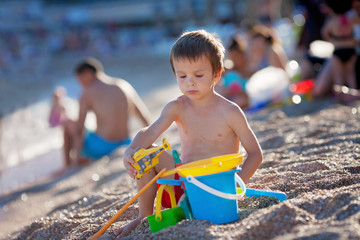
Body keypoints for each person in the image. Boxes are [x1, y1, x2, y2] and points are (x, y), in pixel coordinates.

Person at [114, 30, 263, 238]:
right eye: (182, 76)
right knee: (146, 153)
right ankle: (143, 215)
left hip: (218, 186)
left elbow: (255, 153)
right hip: (185, 185)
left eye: (198, 75)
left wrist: (235, 185)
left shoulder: (230, 112)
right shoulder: (177, 107)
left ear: (217, 74)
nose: (189, 82)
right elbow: (149, 132)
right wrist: (130, 151)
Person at [63, 58, 151, 168]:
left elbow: (79, 129)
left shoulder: (88, 92)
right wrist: (150, 140)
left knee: (68, 124)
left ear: (87, 74)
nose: (81, 85)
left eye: (80, 80)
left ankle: (68, 165)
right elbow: (143, 116)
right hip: (126, 143)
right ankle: (79, 160)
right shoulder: (123, 85)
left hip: (102, 146)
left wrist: (77, 156)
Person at [313, 0, 356, 97]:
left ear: (331, 9)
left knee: (339, 77)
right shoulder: (351, 19)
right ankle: (352, 93)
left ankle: (340, 95)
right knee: (350, 74)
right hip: (351, 50)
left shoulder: (331, 21)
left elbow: (324, 33)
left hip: (338, 51)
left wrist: (333, 39)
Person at [216, 35, 250, 108]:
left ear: (242, 54)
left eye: (236, 56)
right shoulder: (229, 70)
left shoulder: (250, 67)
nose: (234, 59)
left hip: (245, 99)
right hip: (233, 99)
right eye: (232, 57)